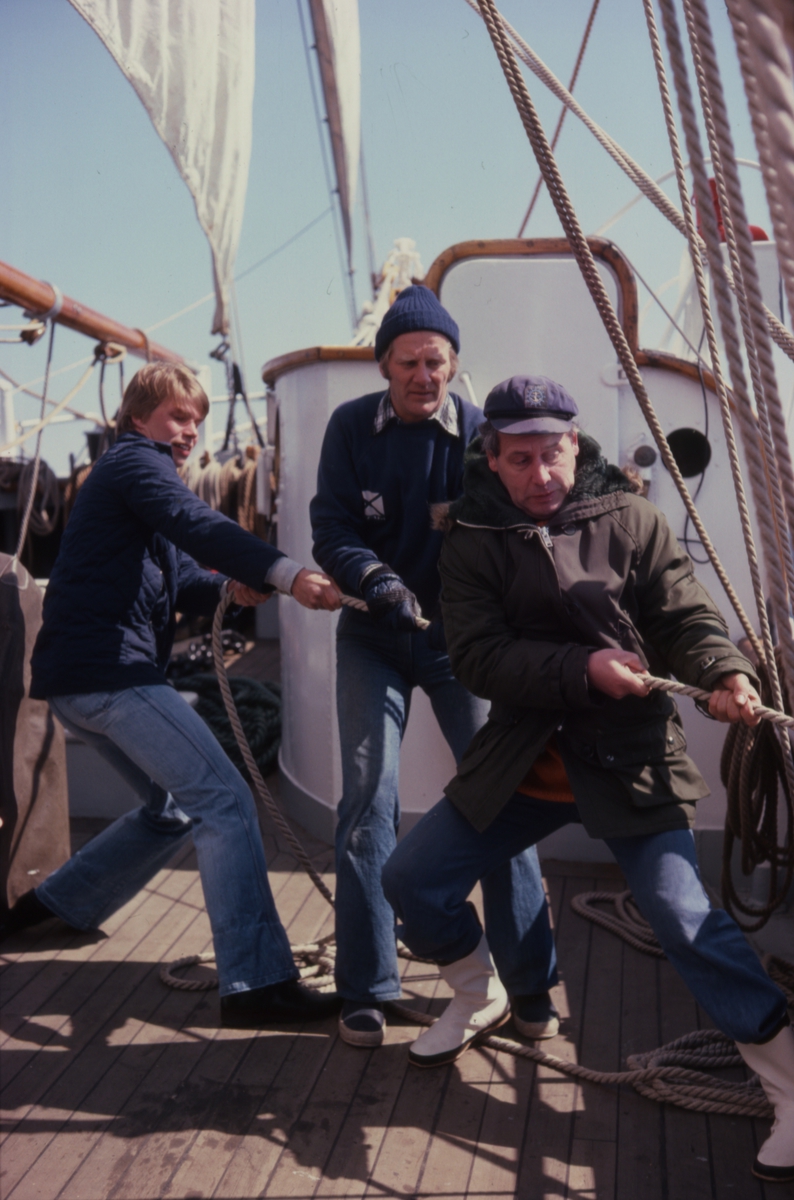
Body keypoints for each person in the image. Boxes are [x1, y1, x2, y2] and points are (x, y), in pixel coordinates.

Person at [382, 375, 793, 1183]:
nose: (541, 474)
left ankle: (787, 1081)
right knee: (411, 880)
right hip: (525, 759)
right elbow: (477, 657)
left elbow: (684, 616)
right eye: (521, 459)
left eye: (553, 454)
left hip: (629, 760)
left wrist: (725, 671)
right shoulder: (469, 536)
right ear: (493, 458)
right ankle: (476, 991)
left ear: (576, 446)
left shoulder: (633, 518)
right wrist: (584, 669)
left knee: (683, 918)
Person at [2, 362, 343, 1029]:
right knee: (226, 802)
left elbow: (185, 574)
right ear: (138, 418)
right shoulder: (135, 463)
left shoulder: (132, 478)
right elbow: (197, 522)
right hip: (111, 676)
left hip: (81, 681)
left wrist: (231, 589)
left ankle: (53, 908)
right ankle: (257, 984)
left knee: (173, 809)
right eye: (177, 417)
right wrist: (284, 572)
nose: (190, 431)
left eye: (196, 420)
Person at [310, 288, 557, 1048]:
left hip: (461, 645)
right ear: (384, 365)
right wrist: (374, 578)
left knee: (502, 794)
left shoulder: (481, 435)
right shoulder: (350, 427)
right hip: (372, 636)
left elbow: (514, 524)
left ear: (453, 364)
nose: (423, 375)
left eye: (436, 361)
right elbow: (332, 526)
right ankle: (368, 987)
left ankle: (529, 985)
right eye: (408, 362)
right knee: (367, 798)